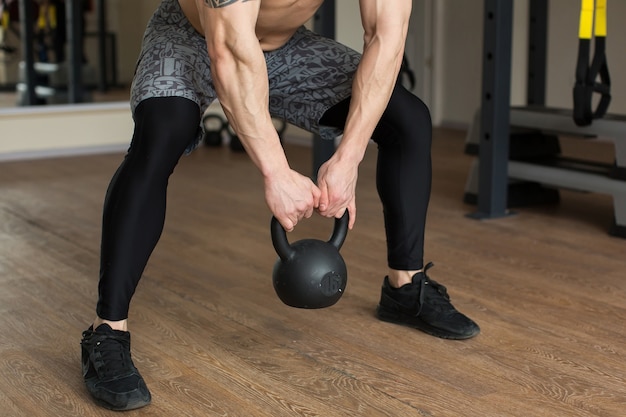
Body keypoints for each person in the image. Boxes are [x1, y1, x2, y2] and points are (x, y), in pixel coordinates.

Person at [80, 0, 480, 411]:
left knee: (408, 118)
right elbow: (230, 51)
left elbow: (386, 38)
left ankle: (406, 288)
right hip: (191, 38)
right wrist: (276, 172)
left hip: (284, 49)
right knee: (162, 131)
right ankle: (107, 331)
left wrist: (349, 156)